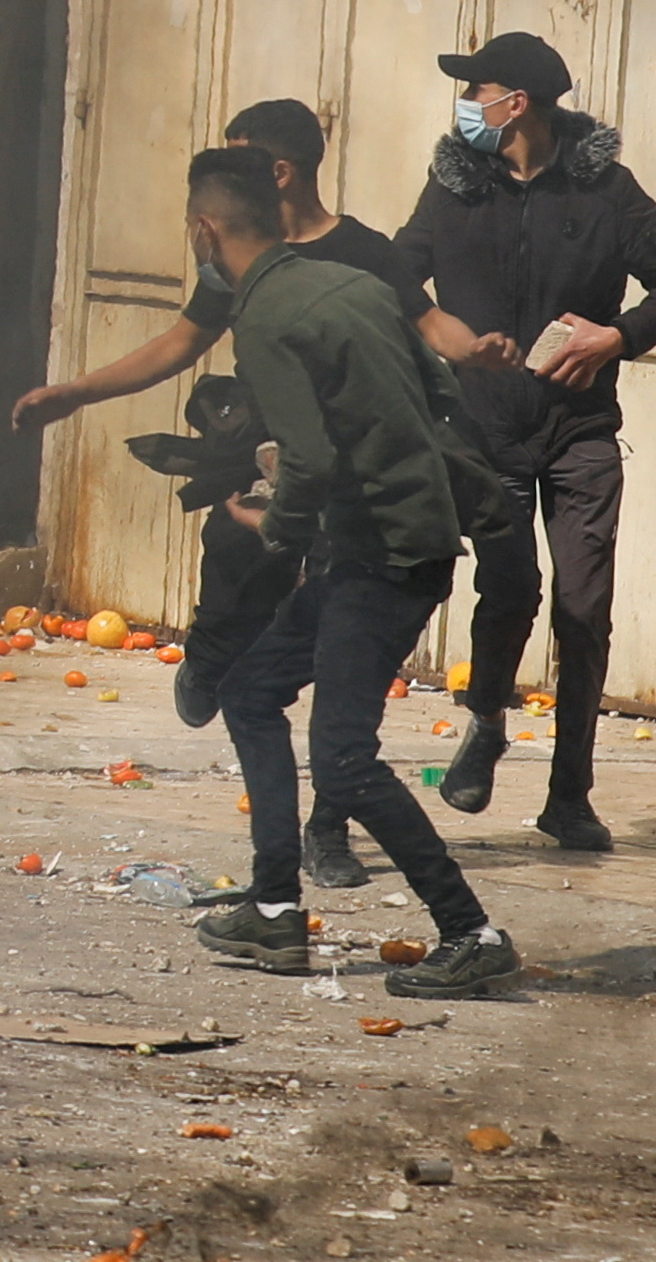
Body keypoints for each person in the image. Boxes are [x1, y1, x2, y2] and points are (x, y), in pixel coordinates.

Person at [5, 100, 488, 891]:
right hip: (290, 482)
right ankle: (269, 876)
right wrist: (78, 392)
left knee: (336, 709)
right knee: (243, 638)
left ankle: (333, 839)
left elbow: (422, 337)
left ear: (275, 174)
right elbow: (180, 341)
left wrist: (482, 355)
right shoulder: (239, 277)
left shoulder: (351, 264)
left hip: (346, 504)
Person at [178, 143, 517, 996]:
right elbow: (430, 402)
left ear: (204, 229)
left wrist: (273, 527)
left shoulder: (266, 318)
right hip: (394, 538)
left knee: (343, 762)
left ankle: (469, 929)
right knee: (252, 691)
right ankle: (275, 908)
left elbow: (312, 455)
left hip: (384, 556)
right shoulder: (353, 285)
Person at [388, 27, 656, 854]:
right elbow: (395, 270)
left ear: (515, 103)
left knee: (583, 606)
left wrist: (618, 337)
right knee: (509, 587)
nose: (468, 106)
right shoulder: (455, 185)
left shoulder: (607, 191)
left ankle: (571, 794)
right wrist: (446, 335)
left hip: (580, 430)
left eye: (477, 90)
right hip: (485, 429)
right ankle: (486, 720)